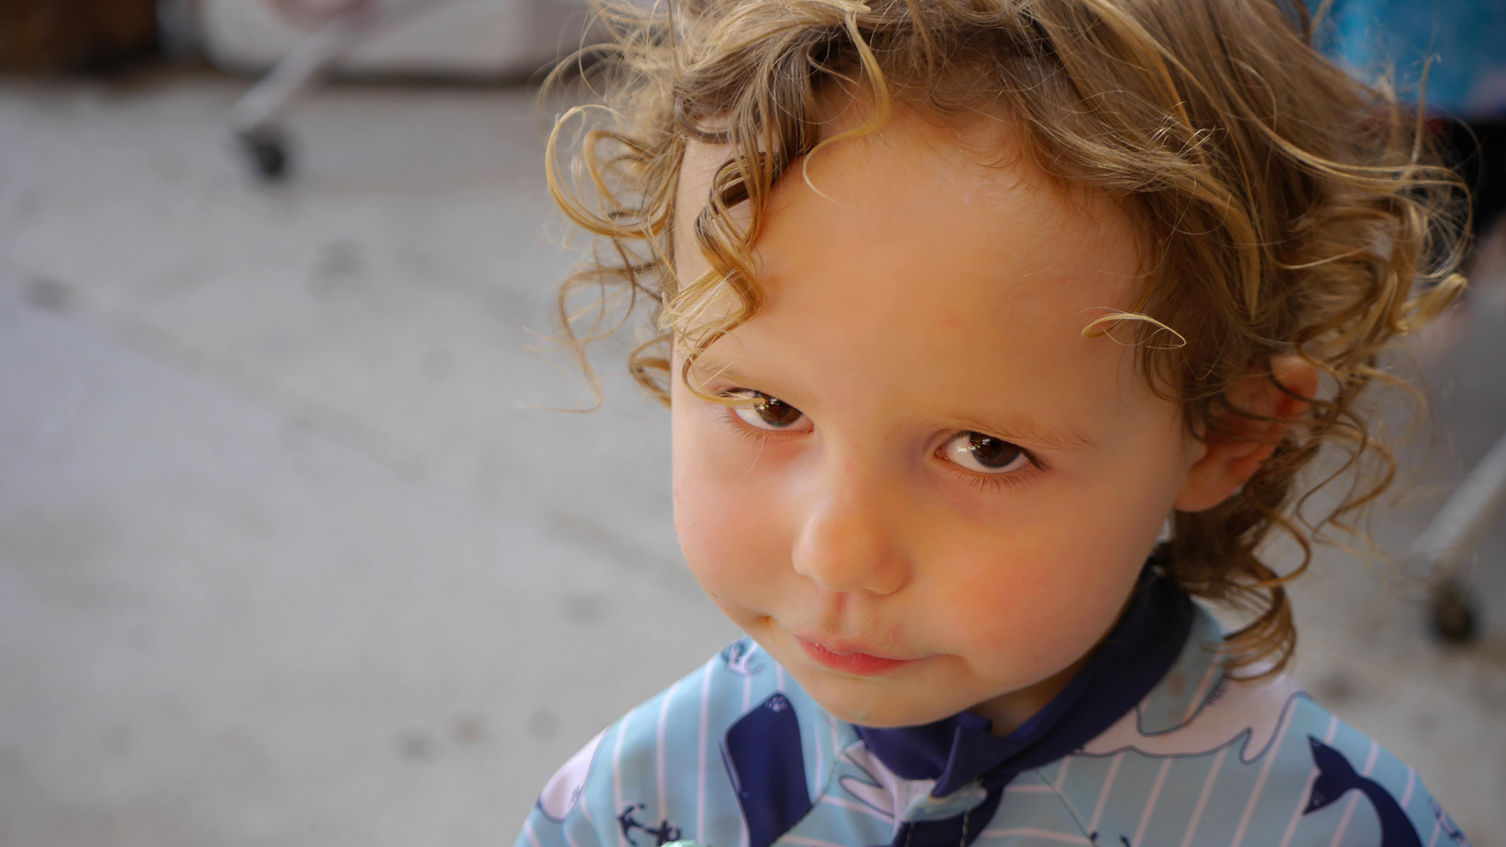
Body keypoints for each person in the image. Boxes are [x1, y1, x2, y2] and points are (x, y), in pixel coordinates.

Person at [520, 0, 1473, 844]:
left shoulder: (1338, 825)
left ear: (1228, 433)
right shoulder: (641, 803)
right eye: (771, 407)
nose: (838, 553)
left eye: (987, 449)